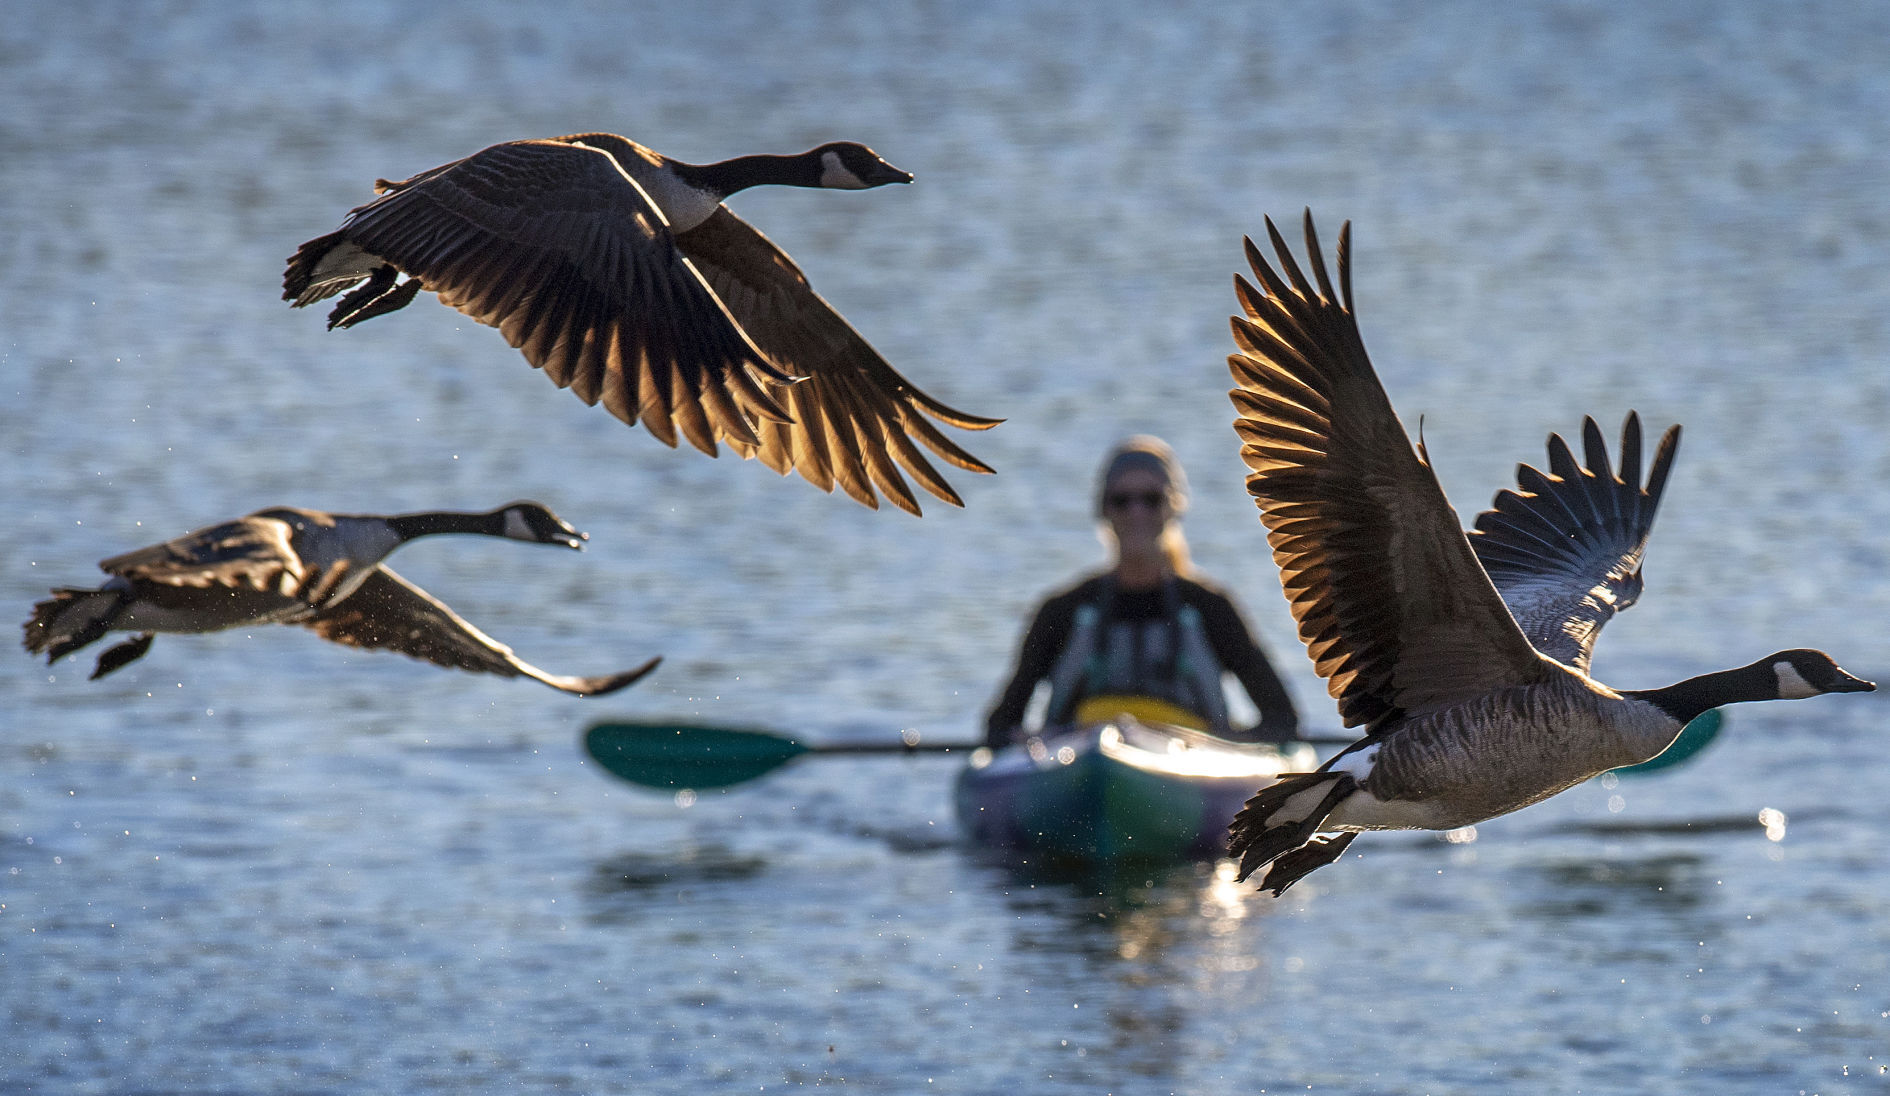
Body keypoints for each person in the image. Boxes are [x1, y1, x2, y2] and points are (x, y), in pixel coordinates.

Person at [984, 436, 1301, 747]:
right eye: (1122, 501)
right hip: (1078, 761)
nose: (1137, 512)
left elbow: (1282, 719)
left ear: (1173, 507)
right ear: (1104, 510)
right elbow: (1000, 727)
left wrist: (1234, 744)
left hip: (1191, 761)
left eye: (1151, 500)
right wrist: (1024, 743)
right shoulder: (1062, 610)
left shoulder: (1210, 608)